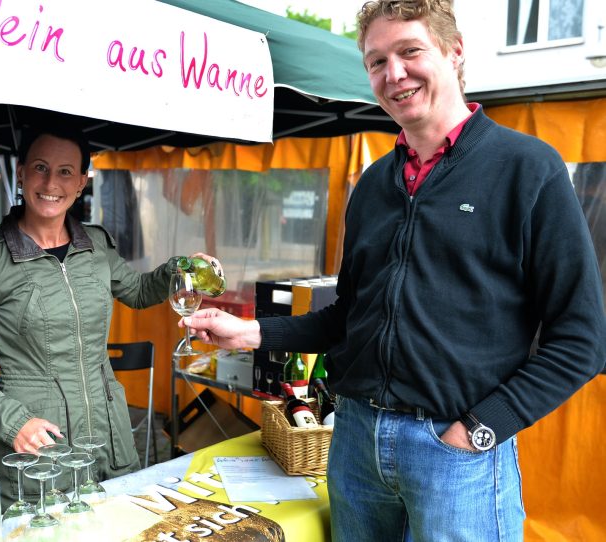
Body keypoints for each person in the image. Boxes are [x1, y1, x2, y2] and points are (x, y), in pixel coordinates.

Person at [183, 1, 606, 540]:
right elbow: (350, 317)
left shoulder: (528, 168)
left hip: (456, 456)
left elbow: (582, 340)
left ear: (454, 53)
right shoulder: (373, 185)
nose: (394, 74)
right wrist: (252, 332)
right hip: (357, 438)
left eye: (410, 51)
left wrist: (480, 429)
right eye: (377, 61)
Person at [0, 126, 220, 508]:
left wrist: (181, 270)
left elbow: (136, 291)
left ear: (83, 181)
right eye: (40, 167)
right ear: (20, 173)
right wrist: (10, 420)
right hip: (42, 446)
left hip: (111, 436)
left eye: (66, 171)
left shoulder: (96, 246)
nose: (51, 182)